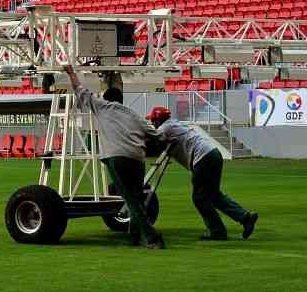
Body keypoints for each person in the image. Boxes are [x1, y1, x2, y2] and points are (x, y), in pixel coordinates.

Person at [63, 65, 165, 249]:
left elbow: (80, 91)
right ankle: (135, 236)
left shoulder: (102, 106)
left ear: (106, 98)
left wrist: (71, 73)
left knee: (131, 201)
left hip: (116, 157)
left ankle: (152, 238)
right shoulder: (133, 113)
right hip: (137, 158)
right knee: (137, 199)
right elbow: (157, 135)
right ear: (121, 99)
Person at [147, 107, 258, 241]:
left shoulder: (164, 129)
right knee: (214, 195)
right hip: (213, 154)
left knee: (200, 198)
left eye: (153, 120)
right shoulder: (174, 124)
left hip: (203, 158)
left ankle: (218, 231)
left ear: (157, 120)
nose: (152, 123)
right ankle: (246, 218)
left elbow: (151, 141)